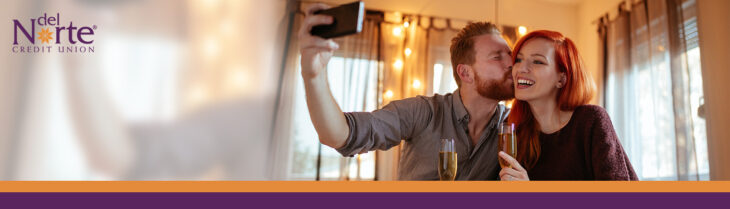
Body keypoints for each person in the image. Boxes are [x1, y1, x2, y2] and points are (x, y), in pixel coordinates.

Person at [298, 3, 514, 180]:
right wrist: (314, 76)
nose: (511, 64)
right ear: (465, 73)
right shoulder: (423, 111)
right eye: (497, 57)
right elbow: (341, 135)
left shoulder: (514, 125)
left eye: (511, 55)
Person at [497, 30, 638, 181]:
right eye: (518, 60)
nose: (520, 69)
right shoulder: (513, 128)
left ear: (561, 79)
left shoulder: (591, 120)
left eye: (537, 61)